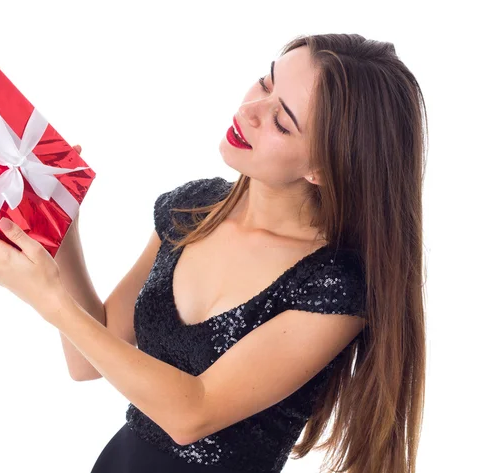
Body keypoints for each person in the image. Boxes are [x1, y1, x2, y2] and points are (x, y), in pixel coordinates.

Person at [57, 33, 427, 473]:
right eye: (265, 83)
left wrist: (47, 298)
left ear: (322, 167)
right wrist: (61, 226)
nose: (249, 112)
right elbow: (87, 357)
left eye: (282, 121)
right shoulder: (191, 210)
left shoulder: (334, 284)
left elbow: (192, 414)